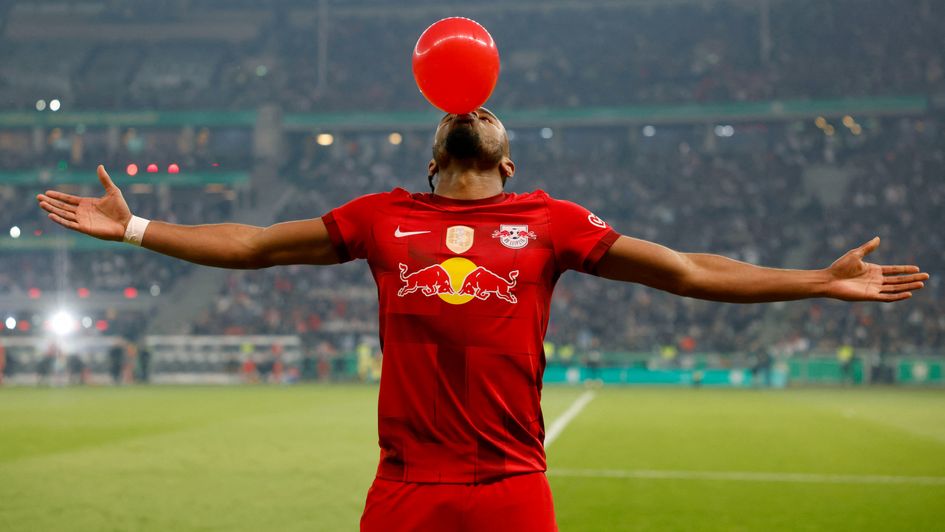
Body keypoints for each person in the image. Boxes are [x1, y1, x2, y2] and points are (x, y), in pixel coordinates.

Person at [36, 108, 928, 531]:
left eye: (485, 113)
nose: (473, 112)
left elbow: (691, 271)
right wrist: (139, 227)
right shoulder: (381, 218)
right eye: (459, 114)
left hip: (509, 484)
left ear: (506, 157)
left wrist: (815, 279)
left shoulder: (552, 222)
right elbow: (254, 244)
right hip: (404, 488)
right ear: (438, 157)